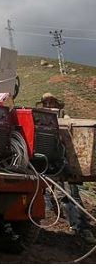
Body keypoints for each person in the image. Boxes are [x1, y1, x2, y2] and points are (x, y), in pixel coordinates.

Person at [39, 92, 96, 244]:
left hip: (68, 163)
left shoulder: (66, 119)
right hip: (49, 163)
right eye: (46, 103)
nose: (48, 105)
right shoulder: (42, 119)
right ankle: (52, 220)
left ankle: (80, 227)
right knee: (49, 192)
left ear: (57, 104)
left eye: (51, 102)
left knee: (72, 194)